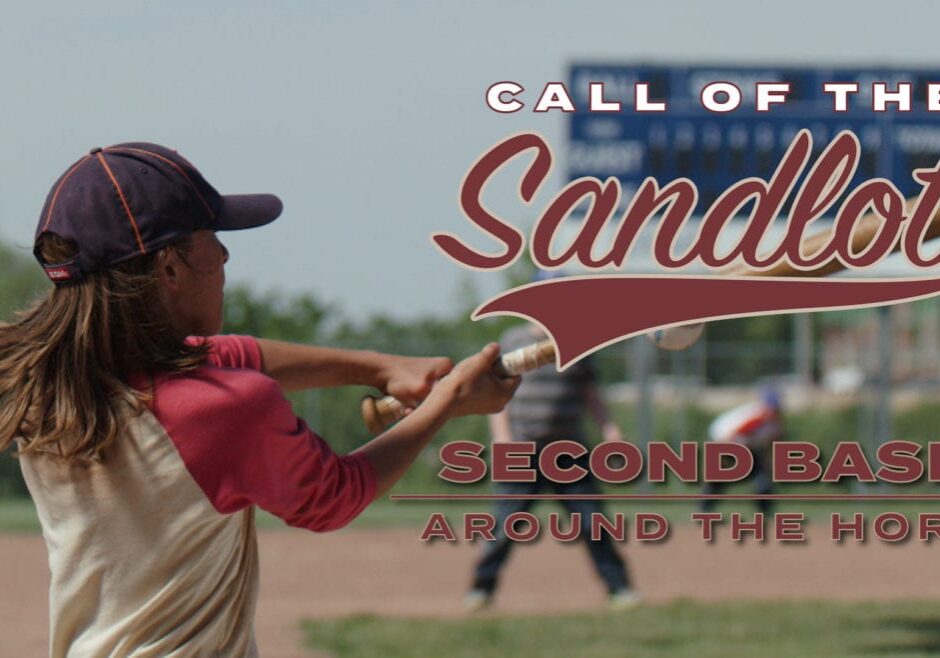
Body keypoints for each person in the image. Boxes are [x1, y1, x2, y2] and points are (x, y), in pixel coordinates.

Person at [0, 143, 520, 657]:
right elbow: (336, 496)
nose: (224, 254)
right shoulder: (225, 408)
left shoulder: (46, 381)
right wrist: (446, 405)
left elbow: (219, 356)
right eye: (208, 238)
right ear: (169, 270)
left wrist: (378, 368)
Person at [466, 320, 639, 611]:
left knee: (592, 522)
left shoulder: (582, 341)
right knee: (506, 525)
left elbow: (590, 392)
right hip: (522, 450)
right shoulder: (514, 339)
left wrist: (608, 427)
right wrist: (502, 437)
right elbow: (497, 391)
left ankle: (619, 588)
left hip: (569, 452)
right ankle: (481, 589)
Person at [699, 386, 784, 514]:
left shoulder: (775, 423)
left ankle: (766, 513)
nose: (774, 410)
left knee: (762, 481)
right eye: (771, 406)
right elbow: (729, 436)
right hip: (725, 442)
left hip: (747, 448)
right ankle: (703, 509)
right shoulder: (756, 416)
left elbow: (769, 443)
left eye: (775, 407)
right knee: (718, 479)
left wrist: (768, 462)